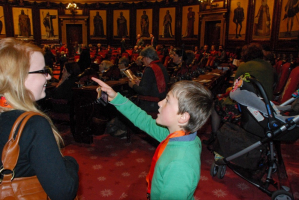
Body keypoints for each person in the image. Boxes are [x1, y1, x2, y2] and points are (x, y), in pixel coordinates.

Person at [91, 77, 213, 200]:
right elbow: (144, 121)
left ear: (183, 117)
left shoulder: (179, 165)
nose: (160, 103)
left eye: (167, 101)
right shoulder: (183, 136)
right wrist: (116, 97)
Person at [0, 38, 79, 199]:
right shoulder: (33, 124)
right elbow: (64, 193)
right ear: (19, 77)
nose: (48, 77)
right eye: (43, 71)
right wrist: (70, 163)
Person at [128, 46, 169, 113]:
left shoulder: (150, 69)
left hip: (150, 104)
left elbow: (144, 91)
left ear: (147, 58)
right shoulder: (162, 66)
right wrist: (140, 83)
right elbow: (155, 84)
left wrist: (133, 85)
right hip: (162, 101)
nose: (142, 61)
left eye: (142, 58)